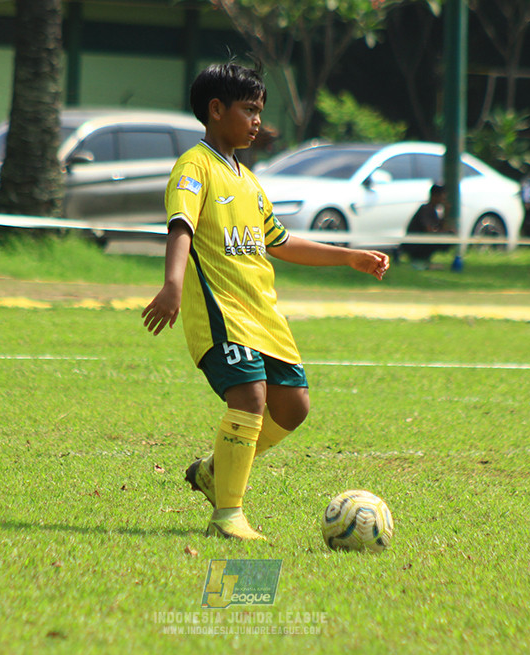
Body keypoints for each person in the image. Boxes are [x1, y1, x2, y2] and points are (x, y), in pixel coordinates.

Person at [141, 62, 389, 541]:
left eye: (259, 111)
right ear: (216, 110)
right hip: (222, 312)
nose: (257, 120)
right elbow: (181, 226)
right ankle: (227, 515)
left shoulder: (250, 182)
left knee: (293, 406)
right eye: (249, 110)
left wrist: (349, 256)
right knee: (250, 397)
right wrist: (172, 284)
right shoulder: (195, 167)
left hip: (262, 313)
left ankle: (215, 470)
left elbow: (280, 241)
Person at [402, 184, 455, 269]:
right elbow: (429, 230)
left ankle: (426, 261)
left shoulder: (433, 211)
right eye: (442, 197)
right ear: (435, 196)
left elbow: (441, 228)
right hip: (415, 244)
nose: (443, 200)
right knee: (438, 238)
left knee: (449, 234)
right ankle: (421, 262)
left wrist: (446, 215)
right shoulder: (425, 209)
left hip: (421, 242)